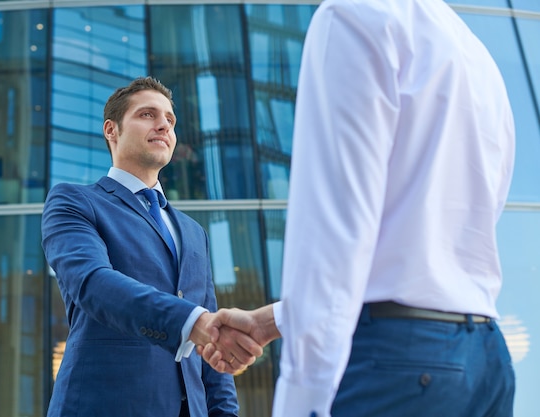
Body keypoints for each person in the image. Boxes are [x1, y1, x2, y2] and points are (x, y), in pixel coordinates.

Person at [200, 0, 517, 416]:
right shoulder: (475, 54)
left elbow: (336, 234)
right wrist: (269, 322)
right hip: (486, 360)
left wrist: (302, 403)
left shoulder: (351, 17)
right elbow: (458, 232)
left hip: (395, 362)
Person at [41, 76, 261, 417]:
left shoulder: (193, 232)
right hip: (105, 405)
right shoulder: (74, 201)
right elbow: (92, 284)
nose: (163, 125)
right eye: (147, 115)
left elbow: (211, 353)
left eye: (170, 120)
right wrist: (193, 322)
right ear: (111, 130)